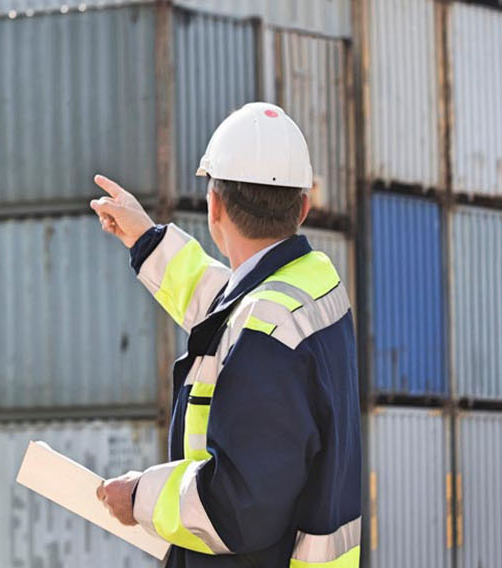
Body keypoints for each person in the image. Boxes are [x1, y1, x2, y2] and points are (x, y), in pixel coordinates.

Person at [89, 102, 362, 567]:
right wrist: (147, 240)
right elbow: (229, 308)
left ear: (214, 207)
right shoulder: (310, 286)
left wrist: (138, 497)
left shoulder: (266, 337)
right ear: (303, 206)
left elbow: (236, 507)